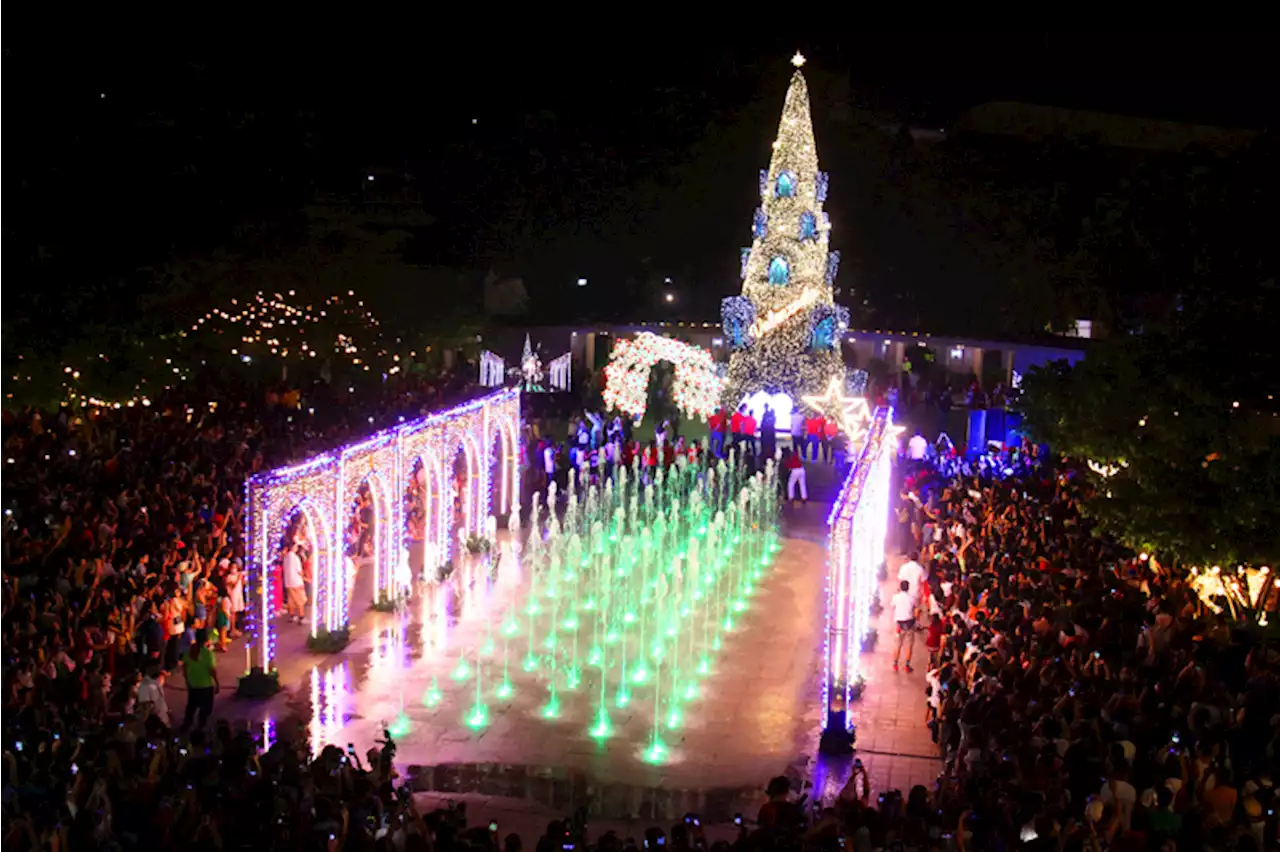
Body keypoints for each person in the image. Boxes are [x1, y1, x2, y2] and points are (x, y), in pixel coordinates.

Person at [180, 628, 219, 731]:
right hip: (206, 685)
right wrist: (217, 683)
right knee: (205, 709)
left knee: (191, 706)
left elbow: (184, 667)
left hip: (193, 684)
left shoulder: (189, 651)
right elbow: (212, 670)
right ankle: (200, 727)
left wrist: (187, 681)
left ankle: (187, 724)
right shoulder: (207, 653)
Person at [891, 579, 917, 673]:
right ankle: (907, 665)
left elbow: (893, 607)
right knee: (909, 645)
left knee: (898, 644)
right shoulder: (912, 598)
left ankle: (895, 664)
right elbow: (915, 608)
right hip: (909, 623)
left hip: (899, 624)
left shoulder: (895, 597)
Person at [282, 542, 306, 624]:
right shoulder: (295, 558)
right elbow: (299, 571)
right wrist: (303, 576)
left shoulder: (286, 558)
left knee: (291, 600)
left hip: (288, 582)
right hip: (296, 582)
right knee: (300, 600)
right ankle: (301, 617)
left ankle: (292, 616)